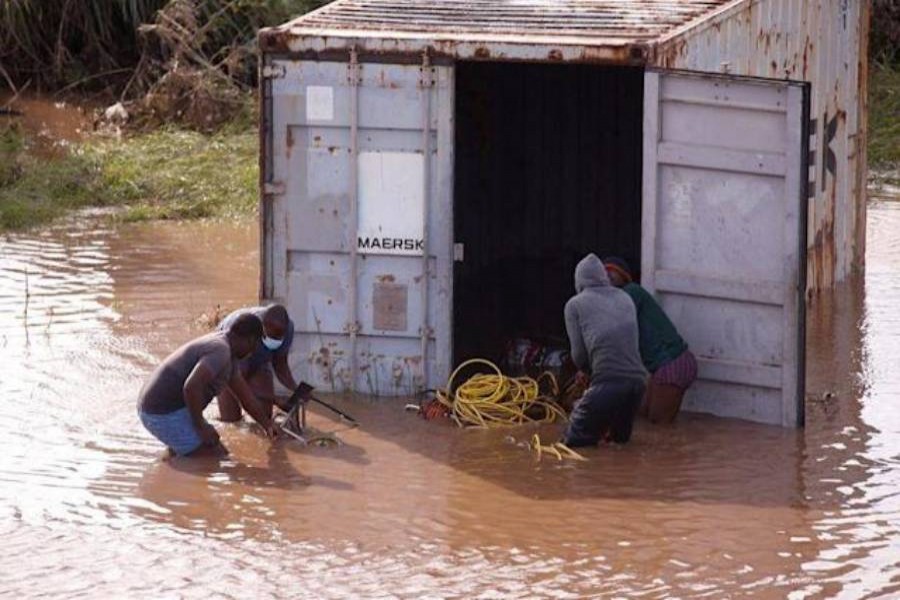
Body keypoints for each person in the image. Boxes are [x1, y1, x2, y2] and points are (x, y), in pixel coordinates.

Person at [137, 313, 277, 457]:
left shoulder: (230, 355)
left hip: (167, 407)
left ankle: (171, 464)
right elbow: (191, 386)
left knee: (208, 453)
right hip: (161, 411)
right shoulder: (220, 350)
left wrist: (267, 425)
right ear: (250, 340)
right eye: (254, 346)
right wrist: (201, 425)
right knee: (215, 459)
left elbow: (246, 398)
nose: (252, 352)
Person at [562, 254, 647, 447]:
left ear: (579, 281)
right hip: (638, 385)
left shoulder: (575, 305)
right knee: (619, 444)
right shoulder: (625, 298)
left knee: (572, 441)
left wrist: (587, 373)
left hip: (608, 383)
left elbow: (579, 355)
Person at [603, 257, 698, 424]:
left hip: (672, 364)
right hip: (663, 367)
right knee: (643, 416)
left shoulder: (632, 291)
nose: (607, 275)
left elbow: (614, 327)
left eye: (612, 272)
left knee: (658, 427)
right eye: (604, 273)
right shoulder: (621, 299)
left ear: (624, 276)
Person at [216, 304, 298, 423]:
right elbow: (238, 383)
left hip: (259, 360)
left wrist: (296, 390)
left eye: (278, 337)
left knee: (264, 415)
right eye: (271, 336)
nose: (275, 340)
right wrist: (275, 399)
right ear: (262, 329)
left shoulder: (288, 328)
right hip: (230, 363)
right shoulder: (243, 332)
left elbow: (281, 366)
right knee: (231, 420)